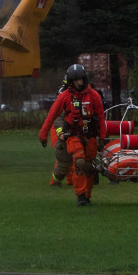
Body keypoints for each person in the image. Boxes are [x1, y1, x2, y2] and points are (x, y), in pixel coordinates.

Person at [39, 64, 106, 206]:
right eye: (76, 80)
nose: (79, 82)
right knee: (79, 163)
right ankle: (80, 196)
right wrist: (43, 134)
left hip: (90, 135)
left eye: (81, 79)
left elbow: (101, 118)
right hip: (73, 135)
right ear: (71, 81)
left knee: (89, 166)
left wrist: (102, 137)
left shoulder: (94, 95)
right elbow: (52, 115)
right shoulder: (64, 96)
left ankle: (87, 196)